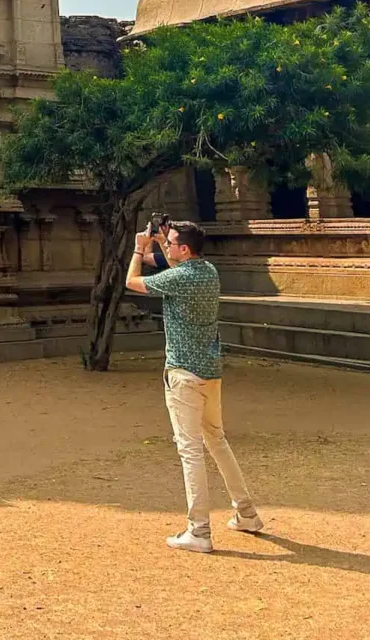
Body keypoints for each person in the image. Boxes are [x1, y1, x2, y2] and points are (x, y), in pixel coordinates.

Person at [125, 219, 263, 553]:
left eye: (171, 243)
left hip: (184, 375)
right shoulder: (207, 272)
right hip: (209, 371)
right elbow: (173, 268)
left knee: (190, 450)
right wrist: (158, 242)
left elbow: (131, 281)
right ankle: (246, 513)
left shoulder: (179, 277)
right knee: (217, 441)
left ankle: (199, 531)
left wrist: (139, 247)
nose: (167, 247)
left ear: (184, 248)